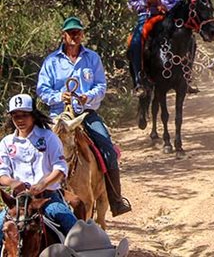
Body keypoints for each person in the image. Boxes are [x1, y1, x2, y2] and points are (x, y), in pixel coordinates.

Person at [36, 17, 132, 216]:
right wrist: (58, 96)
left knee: (107, 147)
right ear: (63, 35)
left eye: (77, 32)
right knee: (38, 149)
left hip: (85, 114)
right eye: (71, 32)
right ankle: (34, 196)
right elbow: (42, 89)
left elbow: (101, 85)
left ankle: (116, 199)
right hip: (58, 116)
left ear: (82, 34)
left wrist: (88, 96)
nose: (74, 36)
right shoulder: (51, 61)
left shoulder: (92, 58)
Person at [0, 94, 78, 243]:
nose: (20, 120)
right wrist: (12, 182)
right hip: (18, 201)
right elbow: (2, 173)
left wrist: (43, 184)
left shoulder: (49, 137)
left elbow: (60, 167)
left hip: (47, 197)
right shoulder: (6, 142)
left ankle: (84, 249)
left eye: (25, 115)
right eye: (15, 116)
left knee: (73, 226)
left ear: (33, 115)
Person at [126, 0, 182, 92]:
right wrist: (147, 2)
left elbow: (178, 4)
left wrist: (166, 7)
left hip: (167, 19)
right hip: (147, 17)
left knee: (185, 36)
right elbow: (132, 4)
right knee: (136, 42)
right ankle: (139, 79)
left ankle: (185, 75)